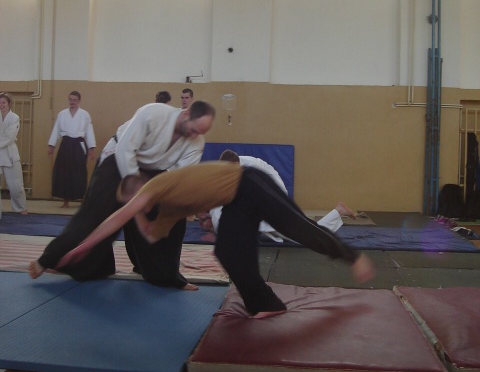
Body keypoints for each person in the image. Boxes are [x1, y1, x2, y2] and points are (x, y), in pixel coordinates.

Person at [49, 161, 375, 318]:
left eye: (132, 203)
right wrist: (137, 215)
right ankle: (266, 304)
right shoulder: (166, 210)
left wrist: (82, 246)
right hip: (235, 203)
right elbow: (150, 235)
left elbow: (117, 218)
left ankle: (352, 256)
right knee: (228, 251)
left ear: (140, 191)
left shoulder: (157, 186)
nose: (134, 209)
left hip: (249, 183)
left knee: (297, 228)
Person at [29, 101, 216, 289]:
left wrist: (165, 205)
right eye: (194, 130)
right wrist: (138, 207)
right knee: (95, 213)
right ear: (186, 114)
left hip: (154, 171)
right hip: (119, 157)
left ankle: (165, 275)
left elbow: (177, 179)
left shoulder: (196, 142)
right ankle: (50, 260)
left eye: (200, 133)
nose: (195, 136)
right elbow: (125, 150)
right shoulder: (153, 113)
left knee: (173, 216)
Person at [199, 150, 357, 243]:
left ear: (237, 164)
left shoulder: (250, 169)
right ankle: (338, 212)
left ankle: (338, 212)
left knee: (302, 234)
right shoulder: (229, 169)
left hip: (274, 196)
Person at [48, 91, 96, 208]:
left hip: (78, 144)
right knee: (63, 172)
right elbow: (56, 130)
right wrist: (51, 145)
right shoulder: (62, 114)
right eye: (70, 99)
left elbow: (89, 131)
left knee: (79, 171)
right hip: (65, 144)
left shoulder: (85, 115)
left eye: (74, 100)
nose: (72, 102)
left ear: (79, 101)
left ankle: (82, 199)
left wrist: (91, 148)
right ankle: (66, 201)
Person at [0, 92, 28, 216]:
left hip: (9, 153)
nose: (1, 105)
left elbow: (9, 137)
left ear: (9, 104)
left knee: (16, 185)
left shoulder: (14, 118)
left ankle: (21, 208)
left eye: (3, 102)